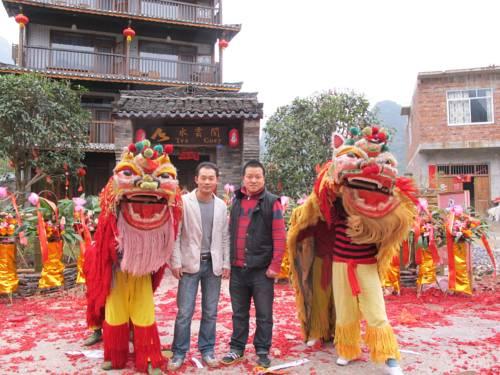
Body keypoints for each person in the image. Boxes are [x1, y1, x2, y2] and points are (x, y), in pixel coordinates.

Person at [221, 160, 286, 369]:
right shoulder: (237, 200)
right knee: (239, 313)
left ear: (263, 178)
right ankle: (237, 348)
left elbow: (279, 237)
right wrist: (229, 263)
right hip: (239, 269)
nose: (253, 180)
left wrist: (275, 266)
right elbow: (231, 232)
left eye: (258, 176)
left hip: (261, 271)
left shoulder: (272, 202)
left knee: (264, 313)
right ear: (243, 178)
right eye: (250, 176)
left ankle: (262, 350)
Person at [168, 162, 230, 371]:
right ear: (196, 179)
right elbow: (175, 234)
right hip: (189, 264)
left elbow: (224, 236)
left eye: (211, 178)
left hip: (213, 265)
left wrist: (226, 262)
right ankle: (178, 352)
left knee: (210, 312)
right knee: (184, 312)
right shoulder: (184, 202)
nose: (207, 182)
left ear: (216, 181)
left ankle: (207, 349)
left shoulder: (221, 205)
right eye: (203, 178)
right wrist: (175, 261)